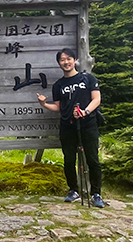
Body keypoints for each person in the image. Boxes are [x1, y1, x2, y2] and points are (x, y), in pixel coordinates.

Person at [36, 48, 104, 208]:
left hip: (88, 124)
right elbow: (59, 107)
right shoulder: (58, 85)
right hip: (68, 125)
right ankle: (73, 190)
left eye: (69, 59)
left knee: (93, 159)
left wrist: (85, 112)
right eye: (62, 60)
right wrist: (44, 104)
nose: (66, 62)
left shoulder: (88, 79)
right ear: (59, 63)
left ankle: (96, 193)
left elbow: (97, 99)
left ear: (74, 60)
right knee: (68, 160)